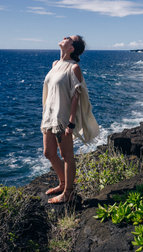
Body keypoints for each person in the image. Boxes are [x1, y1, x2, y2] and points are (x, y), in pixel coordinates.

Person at [41, 35, 99, 203]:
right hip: (49, 117)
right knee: (49, 152)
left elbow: (76, 97)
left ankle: (68, 193)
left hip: (63, 118)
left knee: (67, 156)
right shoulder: (55, 64)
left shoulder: (73, 68)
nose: (64, 37)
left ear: (71, 48)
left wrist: (71, 122)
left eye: (69, 38)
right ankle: (63, 183)